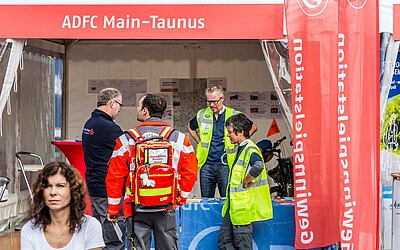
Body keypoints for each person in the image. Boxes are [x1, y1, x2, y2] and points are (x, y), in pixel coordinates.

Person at [106, 94, 198, 250]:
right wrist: (180, 198)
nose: (137, 109)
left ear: (145, 111)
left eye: (138, 106)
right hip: (166, 206)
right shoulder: (180, 138)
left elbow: (114, 177)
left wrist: (113, 209)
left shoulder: (126, 139)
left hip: (136, 208)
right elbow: (191, 172)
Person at [187, 83, 257, 198]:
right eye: (209, 101)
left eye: (215, 101)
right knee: (206, 200)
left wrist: (242, 141)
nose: (212, 105)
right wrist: (199, 141)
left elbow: (253, 127)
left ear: (222, 98)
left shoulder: (234, 114)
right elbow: (190, 126)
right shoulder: (202, 114)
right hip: (206, 164)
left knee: (227, 198)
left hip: (226, 164)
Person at [21, 161, 105, 250]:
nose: (53, 192)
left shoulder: (90, 226)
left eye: (60, 186)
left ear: (73, 190)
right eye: (48, 186)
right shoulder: (29, 229)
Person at [218, 113, 272, 250]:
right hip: (234, 207)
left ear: (240, 131)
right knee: (224, 241)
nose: (228, 135)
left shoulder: (250, 148)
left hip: (242, 208)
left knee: (243, 245)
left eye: (230, 132)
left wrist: (247, 180)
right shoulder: (242, 148)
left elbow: (259, 166)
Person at [82, 87, 125, 250]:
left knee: (100, 233)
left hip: (94, 184)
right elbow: (127, 152)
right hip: (108, 187)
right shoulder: (109, 127)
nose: (119, 109)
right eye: (120, 105)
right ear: (112, 103)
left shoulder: (90, 123)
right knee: (113, 236)